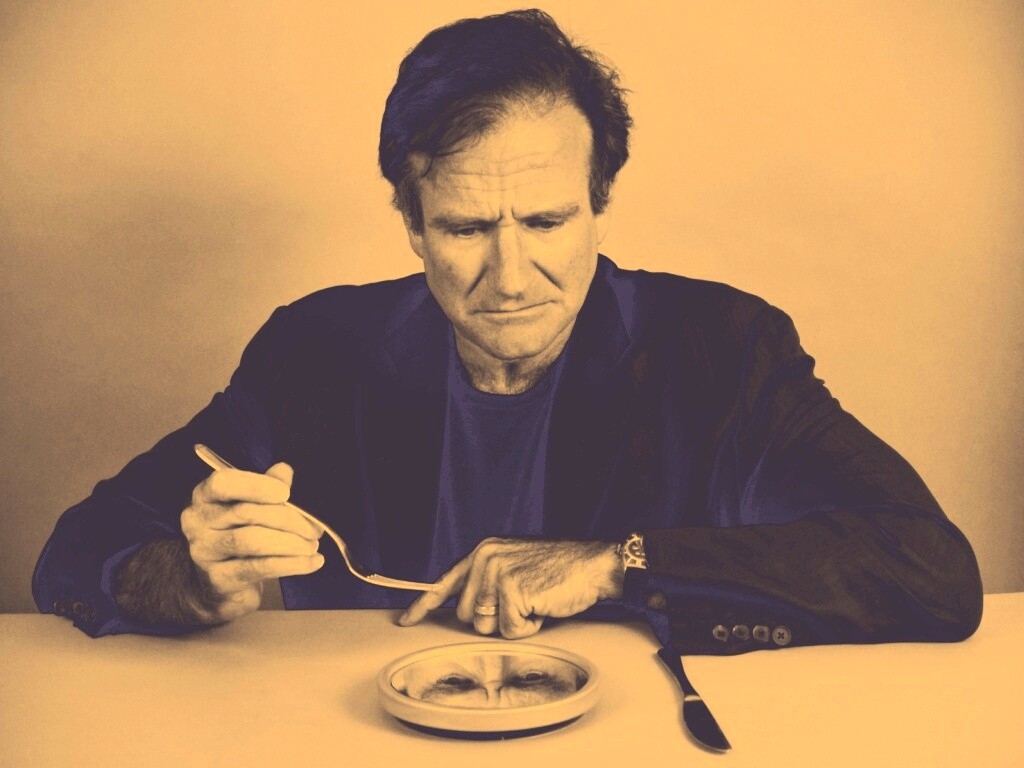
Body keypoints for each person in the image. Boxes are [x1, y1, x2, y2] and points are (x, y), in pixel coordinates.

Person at [33, 9, 982, 653]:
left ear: (599, 205)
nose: (513, 277)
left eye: (547, 221)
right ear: (412, 226)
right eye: (464, 229)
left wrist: (615, 565)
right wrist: (193, 581)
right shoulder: (314, 351)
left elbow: (930, 569)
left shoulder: (722, 349)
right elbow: (78, 550)